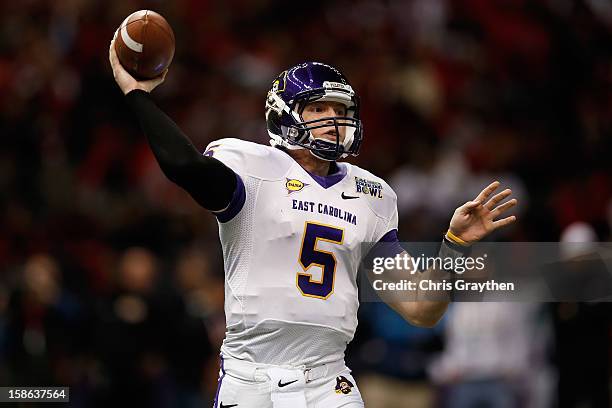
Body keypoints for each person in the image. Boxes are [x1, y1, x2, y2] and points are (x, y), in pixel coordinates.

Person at [109, 35, 518, 407]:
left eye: (339, 109)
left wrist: (455, 245)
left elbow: (422, 308)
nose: (332, 118)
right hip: (250, 377)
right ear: (285, 116)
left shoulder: (371, 196)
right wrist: (138, 95)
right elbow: (184, 165)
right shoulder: (251, 168)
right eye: (318, 107)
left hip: (328, 381)